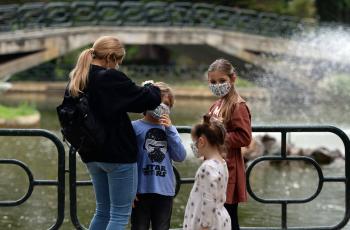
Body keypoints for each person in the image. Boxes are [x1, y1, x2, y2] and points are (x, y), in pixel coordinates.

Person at [67, 36, 161, 230]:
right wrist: (151, 87)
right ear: (110, 57)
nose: (118, 65)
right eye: (118, 61)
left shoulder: (79, 77)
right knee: (119, 214)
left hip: (91, 153)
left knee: (102, 211)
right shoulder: (109, 77)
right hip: (117, 155)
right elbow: (149, 99)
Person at [131, 81, 186, 230]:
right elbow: (127, 160)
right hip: (140, 191)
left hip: (164, 191)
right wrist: (130, 189)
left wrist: (170, 130)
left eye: (166, 104)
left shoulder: (170, 130)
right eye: (158, 102)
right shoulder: (134, 127)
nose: (162, 106)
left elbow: (180, 156)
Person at [207, 58, 252, 230]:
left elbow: (244, 137)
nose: (217, 85)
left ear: (232, 79)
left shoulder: (237, 105)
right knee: (217, 216)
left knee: (228, 216)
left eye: (221, 81)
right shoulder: (217, 104)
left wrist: (216, 136)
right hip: (215, 168)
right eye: (213, 82)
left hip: (229, 169)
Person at [183, 114, 231, 230]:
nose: (193, 146)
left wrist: (205, 226)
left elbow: (208, 200)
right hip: (220, 219)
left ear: (201, 141)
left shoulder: (207, 167)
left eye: (194, 142)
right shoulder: (222, 163)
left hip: (207, 224)